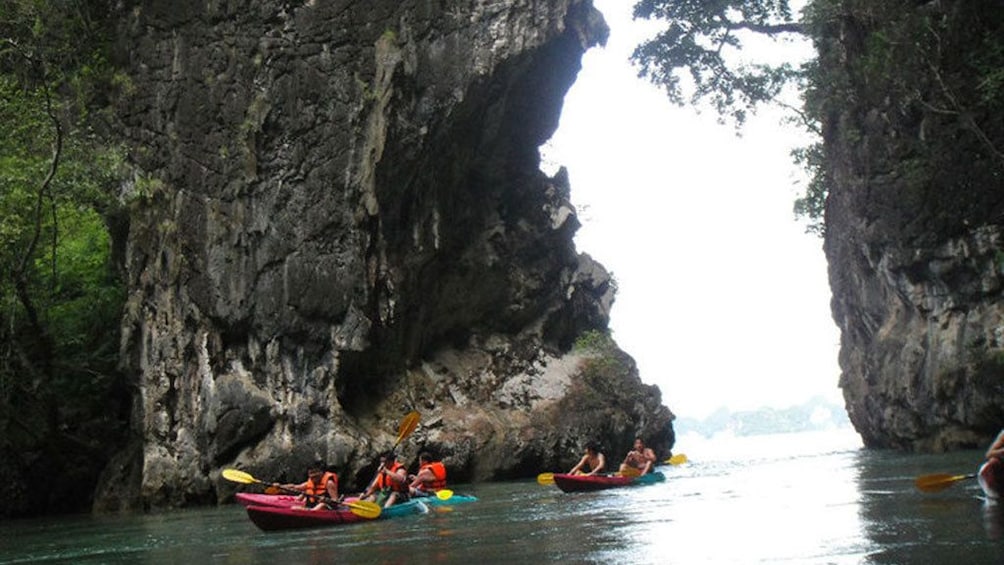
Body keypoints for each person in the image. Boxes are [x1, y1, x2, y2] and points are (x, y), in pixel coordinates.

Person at [273, 461, 339, 510]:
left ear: (322, 472)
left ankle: (310, 512)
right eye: (311, 473)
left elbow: (335, 500)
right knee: (299, 501)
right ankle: (308, 510)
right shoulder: (309, 483)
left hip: (327, 508)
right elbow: (295, 487)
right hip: (312, 506)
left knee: (322, 505)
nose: (313, 475)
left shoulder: (329, 483)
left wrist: (327, 500)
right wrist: (280, 486)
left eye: (316, 472)